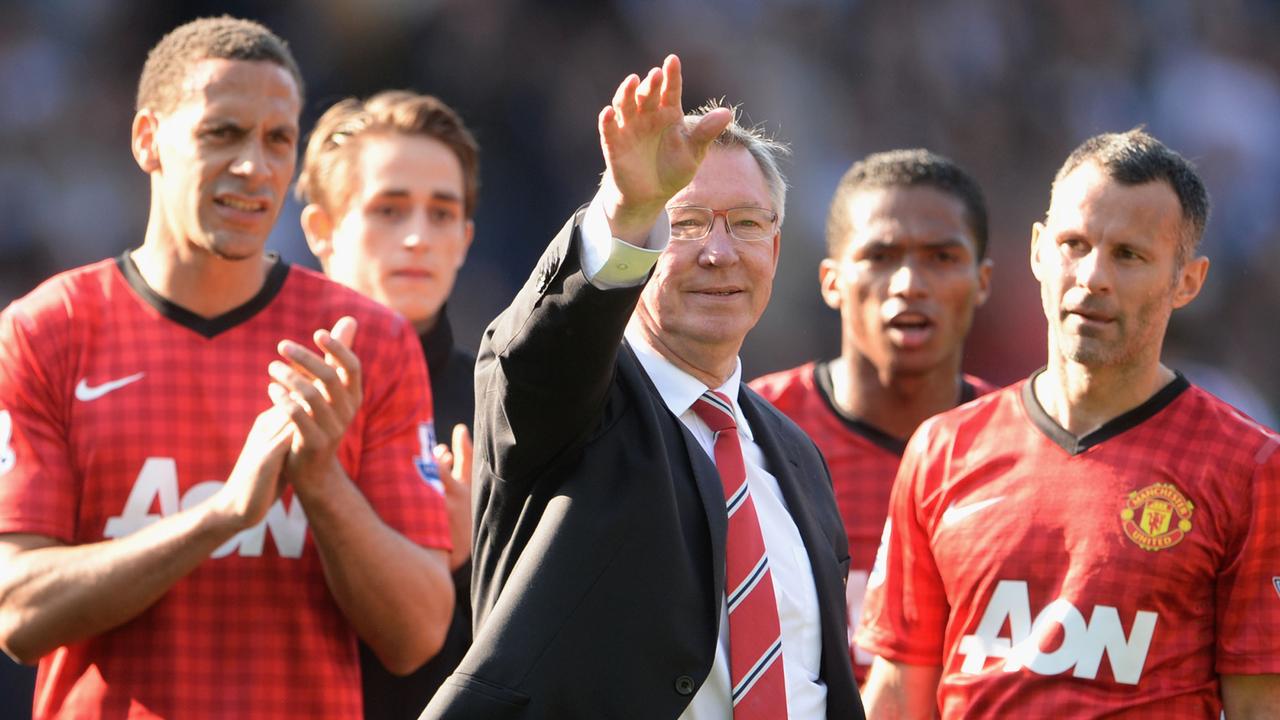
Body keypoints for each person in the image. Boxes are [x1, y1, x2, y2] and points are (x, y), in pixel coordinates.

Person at [0, 17, 455, 719]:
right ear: (147, 140)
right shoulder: (46, 331)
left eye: (278, 140)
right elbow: (19, 611)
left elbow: (417, 634)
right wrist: (221, 516)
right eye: (223, 133)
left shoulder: (367, 345)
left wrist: (324, 482)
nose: (255, 166)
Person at [422, 55, 862, 720]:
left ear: (775, 250)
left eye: (746, 223)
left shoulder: (795, 457)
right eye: (685, 224)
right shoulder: (582, 401)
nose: (719, 252)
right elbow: (538, 358)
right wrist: (628, 211)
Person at [856, 129, 1280, 717]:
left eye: (1128, 255)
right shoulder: (943, 450)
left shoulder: (1248, 468)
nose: (1092, 276)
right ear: (1036, 251)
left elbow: (1263, 706)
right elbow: (898, 693)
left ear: (1188, 281)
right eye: (1073, 244)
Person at [749, 149, 995, 683]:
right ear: (831, 280)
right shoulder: (749, 434)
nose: (909, 283)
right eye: (880, 256)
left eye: (942, 257)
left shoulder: (1023, 448)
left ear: (982, 281)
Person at [296, 89, 479, 719]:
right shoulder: (269, 388)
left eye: (441, 214)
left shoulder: (510, 409)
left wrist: (466, 570)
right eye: (388, 209)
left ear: (465, 238)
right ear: (322, 228)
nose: (417, 238)